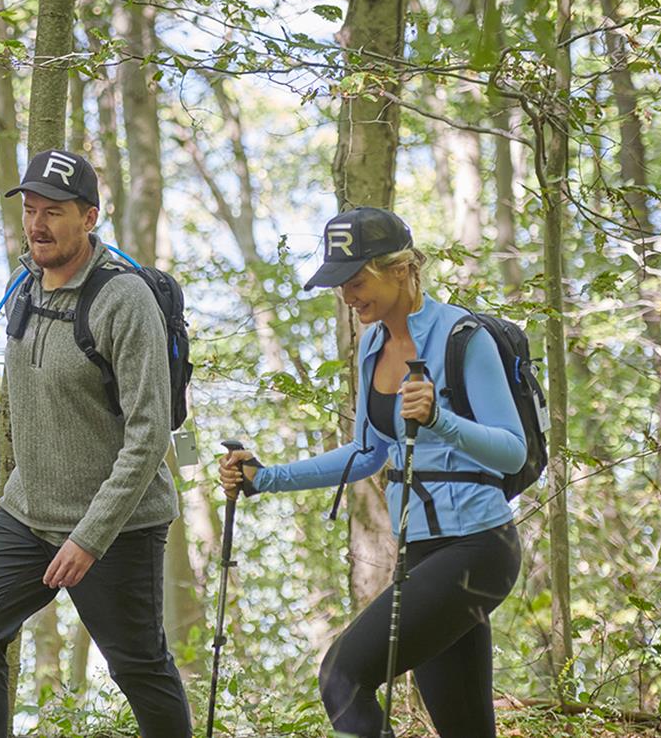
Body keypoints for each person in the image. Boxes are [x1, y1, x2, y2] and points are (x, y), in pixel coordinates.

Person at [219, 206, 526, 738]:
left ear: (402, 268)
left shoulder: (462, 337)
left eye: (357, 280)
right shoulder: (371, 346)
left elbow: (512, 453)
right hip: (421, 552)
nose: (348, 295)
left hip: (480, 546)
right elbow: (367, 452)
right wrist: (264, 477)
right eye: (341, 283)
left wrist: (440, 420)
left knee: (343, 675)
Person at [0, 149, 189, 738]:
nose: (37, 225)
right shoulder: (21, 286)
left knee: (138, 667)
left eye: (53, 212)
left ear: (90, 217)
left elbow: (149, 431)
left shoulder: (122, 301)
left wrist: (89, 537)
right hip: (26, 515)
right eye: (30, 210)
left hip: (116, 527)